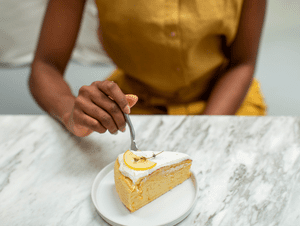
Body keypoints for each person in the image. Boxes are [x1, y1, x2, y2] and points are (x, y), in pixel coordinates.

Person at [29, 0, 267, 138]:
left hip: (225, 100)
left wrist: (205, 129)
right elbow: (45, 66)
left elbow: (242, 63)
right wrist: (69, 111)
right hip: (132, 108)